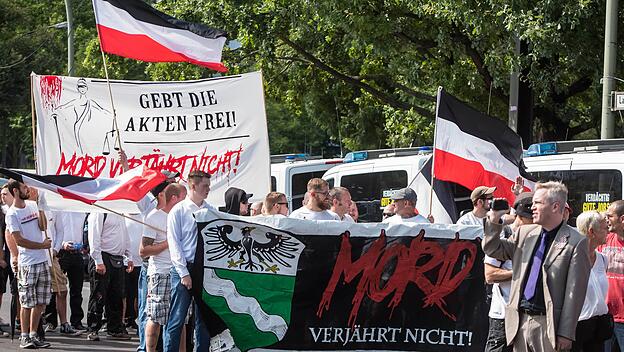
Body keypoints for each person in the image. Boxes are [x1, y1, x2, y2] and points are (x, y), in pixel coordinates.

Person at [483, 181, 591, 352]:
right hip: (519, 322)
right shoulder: (524, 233)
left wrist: (566, 333)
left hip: (548, 326)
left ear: (555, 207)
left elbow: (575, 293)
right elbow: (493, 249)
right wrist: (494, 220)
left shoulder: (576, 242)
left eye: (538, 203)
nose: (532, 207)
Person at [165, 170, 223, 352]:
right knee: (177, 319)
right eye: (205, 185)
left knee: (203, 321)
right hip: (185, 268)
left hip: (204, 270)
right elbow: (174, 243)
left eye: (208, 185)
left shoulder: (211, 211)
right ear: (193, 185)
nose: (208, 189)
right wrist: (183, 272)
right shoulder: (178, 211)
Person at [5, 180, 52, 349]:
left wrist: (39, 206)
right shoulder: (12, 214)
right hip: (27, 263)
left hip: (42, 261)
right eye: (25, 187)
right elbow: (19, 240)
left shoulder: (32, 205)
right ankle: (24, 336)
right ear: (16, 191)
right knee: (26, 302)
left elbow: (43, 226)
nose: (28, 189)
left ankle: (33, 334)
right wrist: (42, 246)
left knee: (41, 302)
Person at [483, 192, 532, 352]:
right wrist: (520, 273)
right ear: (520, 217)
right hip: (503, 315)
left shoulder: (538, 237)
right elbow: (489, 275)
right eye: (530, 220)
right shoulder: (504, 235)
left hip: (528, 315)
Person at [142, 184, 186, 352]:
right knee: (156, 317)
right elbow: (144, 251)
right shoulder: (154, 217)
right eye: (183, 197)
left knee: (180, 319)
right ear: (174, 198)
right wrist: (169, 242)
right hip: (160, 274)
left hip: (179, 272)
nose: (186, 200)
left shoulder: (184, 215)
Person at [86, 210, 134, 341]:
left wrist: (129, 256)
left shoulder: (118, 210)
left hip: (117, 258)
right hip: (103, 257)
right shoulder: (99, 211)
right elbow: (94, 236)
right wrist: (98, 260)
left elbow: (124, 235)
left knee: (116, 295)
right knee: (98, 295)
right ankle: (93, 328)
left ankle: (114, 328)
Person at [574, 211, 609, 352]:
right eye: (604, 228)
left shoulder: (603, 259)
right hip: (577, 327)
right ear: (591, 231)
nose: (608, 230)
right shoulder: (572, 259)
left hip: (599, 327)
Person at [599, 200, 624, 352]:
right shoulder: (604, 240)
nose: (606, 219)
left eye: (610, 216)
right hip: (605, 316)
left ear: (622, 219)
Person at [56, 212, 88, 331]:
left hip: (77, 252)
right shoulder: (58, 209)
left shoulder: (81, 210)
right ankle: (51, 320)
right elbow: (54, 230)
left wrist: (85, 245)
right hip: (61, 252)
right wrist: (62, 244)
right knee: (57, 289)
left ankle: (76, 320)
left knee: (77, 290)